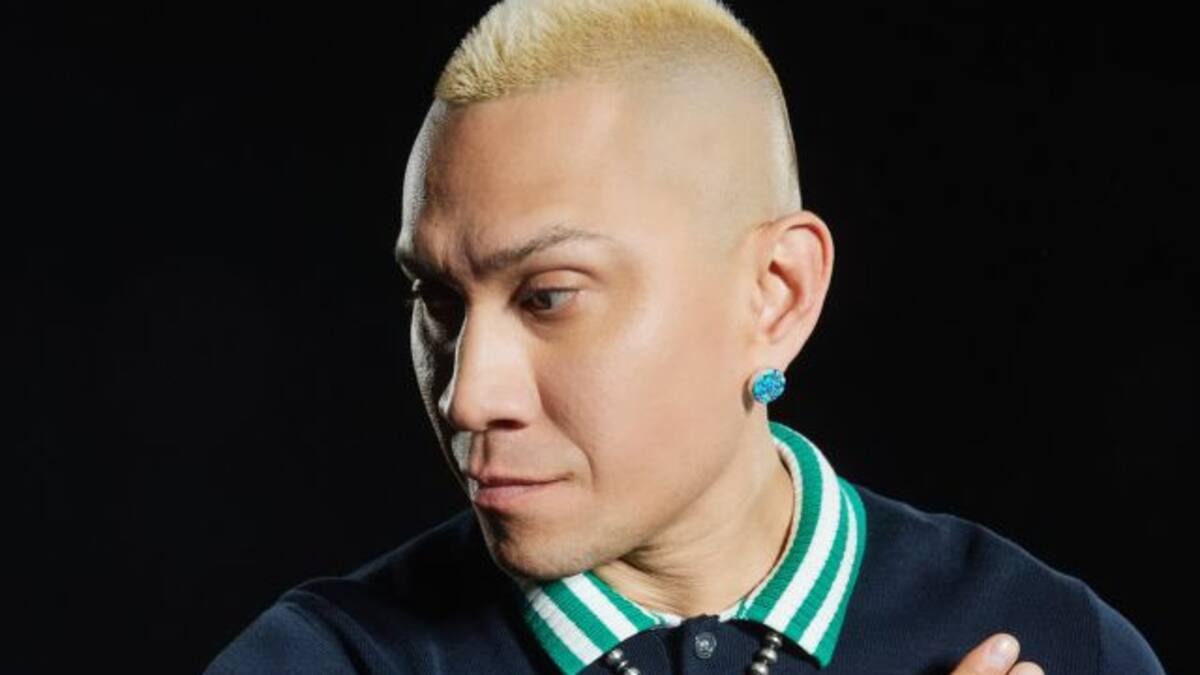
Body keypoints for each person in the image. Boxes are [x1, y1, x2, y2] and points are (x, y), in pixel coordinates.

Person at [205, 0, 1166, 673]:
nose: (467, 393)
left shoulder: (1055, 640)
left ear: (776, 295)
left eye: (547, 297)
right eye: (441, 302)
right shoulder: (320, 660)